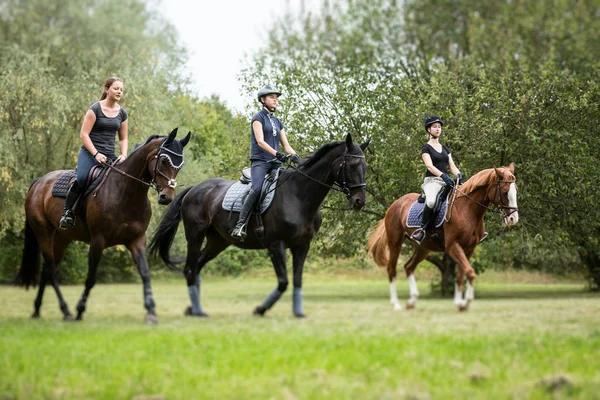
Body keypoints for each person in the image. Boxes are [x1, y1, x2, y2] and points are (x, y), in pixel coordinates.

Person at [231, 85, 300, 241]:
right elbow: (261, 142)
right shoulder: (258, 118)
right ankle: (240, 225)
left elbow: (286, 145)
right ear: (263, 100)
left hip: (276, 164)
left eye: (276, 97)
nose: (275, 99)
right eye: (271, 97)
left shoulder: (277, 122)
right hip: (260, 162)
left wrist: (294, 155)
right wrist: (277, 153)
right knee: (256, 189)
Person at [59, 77, 129, 229]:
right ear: (106, 89)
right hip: (90, 153)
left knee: (122, 180)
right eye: (116, 88)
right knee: (82, 178)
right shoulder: (95, 109)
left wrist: (123, 154)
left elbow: (123, 138)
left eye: (121, 90)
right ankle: (67, 213)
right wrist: (96, 154)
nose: (119, 92)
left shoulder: (122, 113)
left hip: (110, 155)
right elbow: (84, 135)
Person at [410, 116, 463, 244]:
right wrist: (443, 176)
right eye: (434, 127)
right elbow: (429, 166)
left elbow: (452, 166)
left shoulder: (445, 149)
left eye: (439, 127)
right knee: (432, 202)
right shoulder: (426, 148)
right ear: (429, 129)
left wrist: (459, 175)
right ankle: (422, 230)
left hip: (447, 181)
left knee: (464, 197)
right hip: (432, 181)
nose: (438, 129)